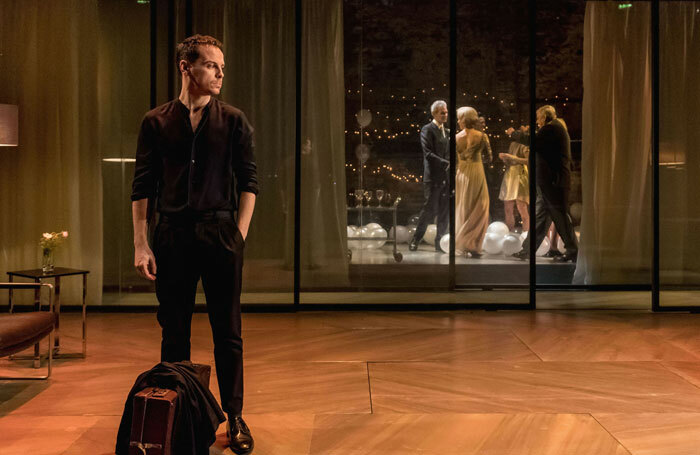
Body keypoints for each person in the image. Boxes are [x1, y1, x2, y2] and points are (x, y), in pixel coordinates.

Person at [131, 34, 257, 454]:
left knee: (229, 331)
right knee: (174, 330)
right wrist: (141, 244)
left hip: (219, 233)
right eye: (211, 65)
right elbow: (142, 186)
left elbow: (250, 181)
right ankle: (181, 418)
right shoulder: (156, 121)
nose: (220, 73)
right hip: (171, 235)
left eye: (222, 66)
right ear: (187, 68)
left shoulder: (234, 120)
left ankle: (234, 416)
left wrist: (238, 234)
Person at [507, 105, 578, 262]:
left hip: (553, 184)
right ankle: (527, 251)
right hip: (550, 183)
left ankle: (573, 250)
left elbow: (532, 141)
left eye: (539, 118)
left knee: (560, 218)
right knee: (540, 219)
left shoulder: (551, 129)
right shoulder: (555, 128)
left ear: (545, 117)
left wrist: (515, 134)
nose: (538, 122)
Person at [409, 100, 450, 252]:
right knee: (429, 210)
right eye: (442, 113)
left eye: (446, 112)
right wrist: (446, 163)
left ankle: (440, 242)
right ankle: (416, 239)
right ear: (434, 114)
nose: (445, 115)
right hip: (433, 177)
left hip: (445, 177)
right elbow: (428, 153)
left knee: (445, 211)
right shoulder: (427, 129)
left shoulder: (447, 132)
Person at [455, 106, 491, 257]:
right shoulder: (482, 136)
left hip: (462, 173)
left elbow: (455, 158)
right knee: (481, 207)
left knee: (463, 206)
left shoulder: (456, 137)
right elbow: (489, 158)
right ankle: (474, 245)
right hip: (477, 171)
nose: (458, 121)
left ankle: (462, 244)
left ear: (463, 119)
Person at [498, 141, 530, 232]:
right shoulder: (512, 143)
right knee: (508, 208)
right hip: (510, 175)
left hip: (521, 174)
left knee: (522, 207)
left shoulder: (525, 144)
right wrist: (505, 159)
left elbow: (528, 161)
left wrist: (512, 157)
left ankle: (526, 234)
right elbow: (509, 162)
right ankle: (509, 233)